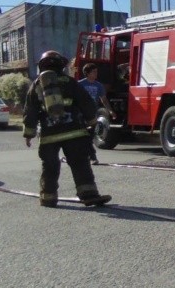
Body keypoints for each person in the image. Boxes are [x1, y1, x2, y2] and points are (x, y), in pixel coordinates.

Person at [23, 50, 111, 208]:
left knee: (50, 165)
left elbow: (30, 111)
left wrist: (28, 134)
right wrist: (92, 121)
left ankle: (48, 197)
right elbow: (86, 103)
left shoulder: (36, 85)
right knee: (80, 163)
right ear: (61, 66)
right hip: (74, 132)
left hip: (49, 135)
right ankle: (88, 194)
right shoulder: (70, 82)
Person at [78, 63, 115, 165]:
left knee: (89, 136)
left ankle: (89, 156)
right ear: (87, 73)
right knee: (81, 137)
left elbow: (104, 100)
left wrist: (110, 111)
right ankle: (91, 157)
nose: (96, 73)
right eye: (94, 72)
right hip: (80, 114)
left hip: (92, 114)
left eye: (96, 71)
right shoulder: (80, 84)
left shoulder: (98, 85)